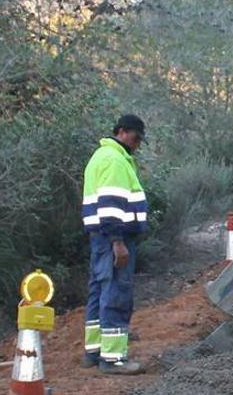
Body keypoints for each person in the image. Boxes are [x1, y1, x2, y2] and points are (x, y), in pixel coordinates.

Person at [81, 114, 149, 375]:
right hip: (114, 238)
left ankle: (94, 351)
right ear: (122, 132)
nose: (138, 143)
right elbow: (110, 205)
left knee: (99, 290)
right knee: (116, 292)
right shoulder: (114, 159)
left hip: (101, 238)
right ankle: (112, 359)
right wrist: (118, 242)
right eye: (136, 137)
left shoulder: (101, 157)